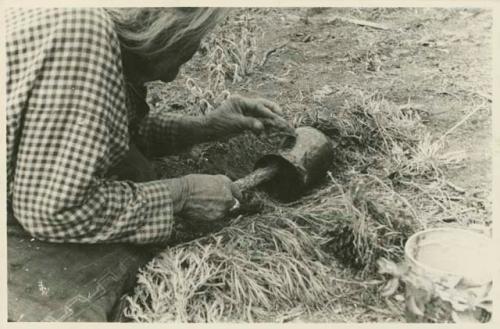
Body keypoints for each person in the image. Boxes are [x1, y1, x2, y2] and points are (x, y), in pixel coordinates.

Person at [5, 7, 291, 321]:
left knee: (131, 169)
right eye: (187, 44)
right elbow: (51, 211)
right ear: (162, 27)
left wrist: (207, 126)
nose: (189, 57)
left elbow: (111, 137)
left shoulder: (94, 28)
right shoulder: (85, 36)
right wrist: (180, 195)